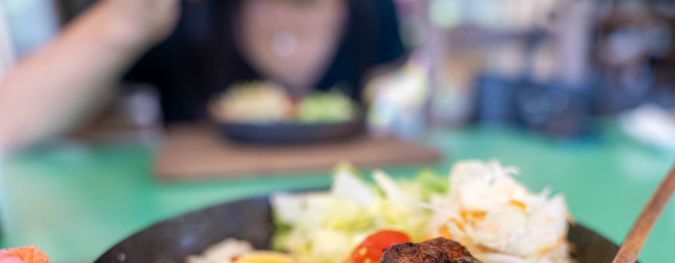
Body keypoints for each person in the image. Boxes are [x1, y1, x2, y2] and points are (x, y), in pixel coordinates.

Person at [0, 0, 406, 150]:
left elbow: (394, 102)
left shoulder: (374, 10)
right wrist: (130, 17)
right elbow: (10, 121)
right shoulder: (185, 12)